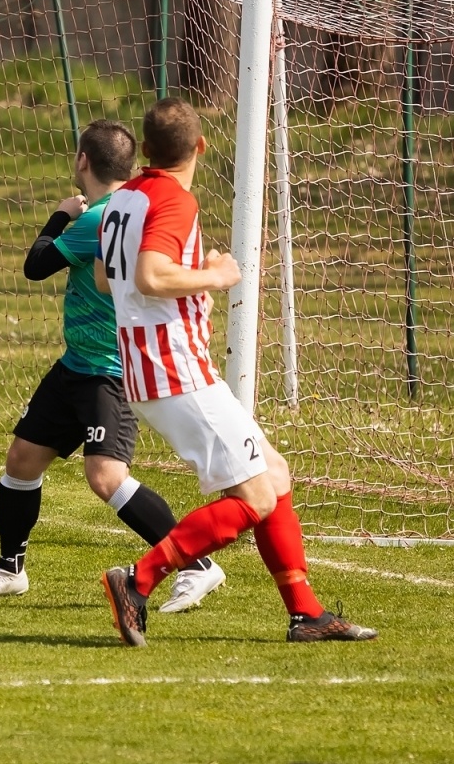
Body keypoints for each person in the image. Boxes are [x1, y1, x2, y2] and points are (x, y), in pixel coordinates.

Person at [97, 98, 375, 645]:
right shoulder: (173, 199)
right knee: (255, 499)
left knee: (275, 475)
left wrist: (181, 274)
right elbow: (151, 277)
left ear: (145, 151)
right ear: (200, 147)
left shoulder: (121, 199)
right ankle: (138, 578)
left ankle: (306, 614)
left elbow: (110, 281)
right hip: (176, 371)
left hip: (156, 369)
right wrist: (217, 276)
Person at [0, 120, 225, 613]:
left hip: (111, 369)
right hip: (78, 365)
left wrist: (59, 217)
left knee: (105, 475)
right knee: (22, 459)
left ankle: (197, 563)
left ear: (83, 160)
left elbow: (36, 265)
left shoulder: (96, 218)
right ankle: (9, 567)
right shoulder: (132, 208)